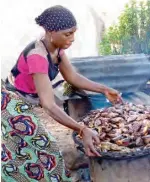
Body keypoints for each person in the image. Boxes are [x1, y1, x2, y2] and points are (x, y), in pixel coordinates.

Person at [2, 5, 123, 182]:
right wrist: (82, 129)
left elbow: (72, 76)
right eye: (68, 34)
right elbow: (49, 105)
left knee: (21, 149)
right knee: (45, 149)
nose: (72, 38)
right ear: (51, 32)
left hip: (27, 102)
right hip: (13, 105)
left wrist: (103, 89)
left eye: (74, 33)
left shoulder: (56, 49)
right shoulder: (37, 56)